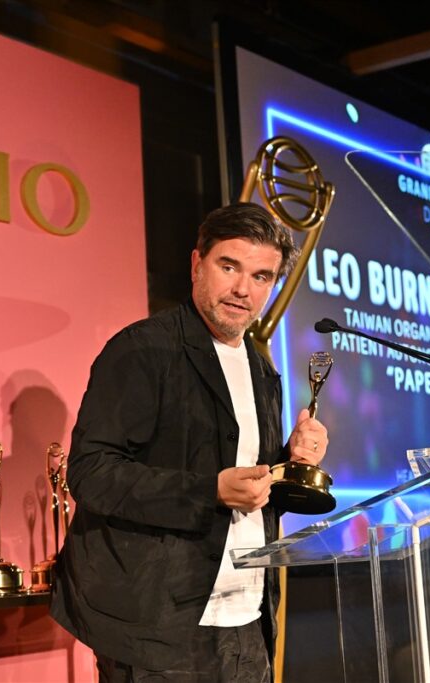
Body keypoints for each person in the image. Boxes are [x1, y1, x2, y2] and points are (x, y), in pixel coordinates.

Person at [50, 202, 329, 682]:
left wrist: (291, 462)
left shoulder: (262, 370)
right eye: (229, 267)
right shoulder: (143, 349)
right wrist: (210, 490)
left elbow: (251, 489)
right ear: (197, 263)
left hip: (247, 617)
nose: (243, 289)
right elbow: (91, 473)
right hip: (156, 625)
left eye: (261, 277)